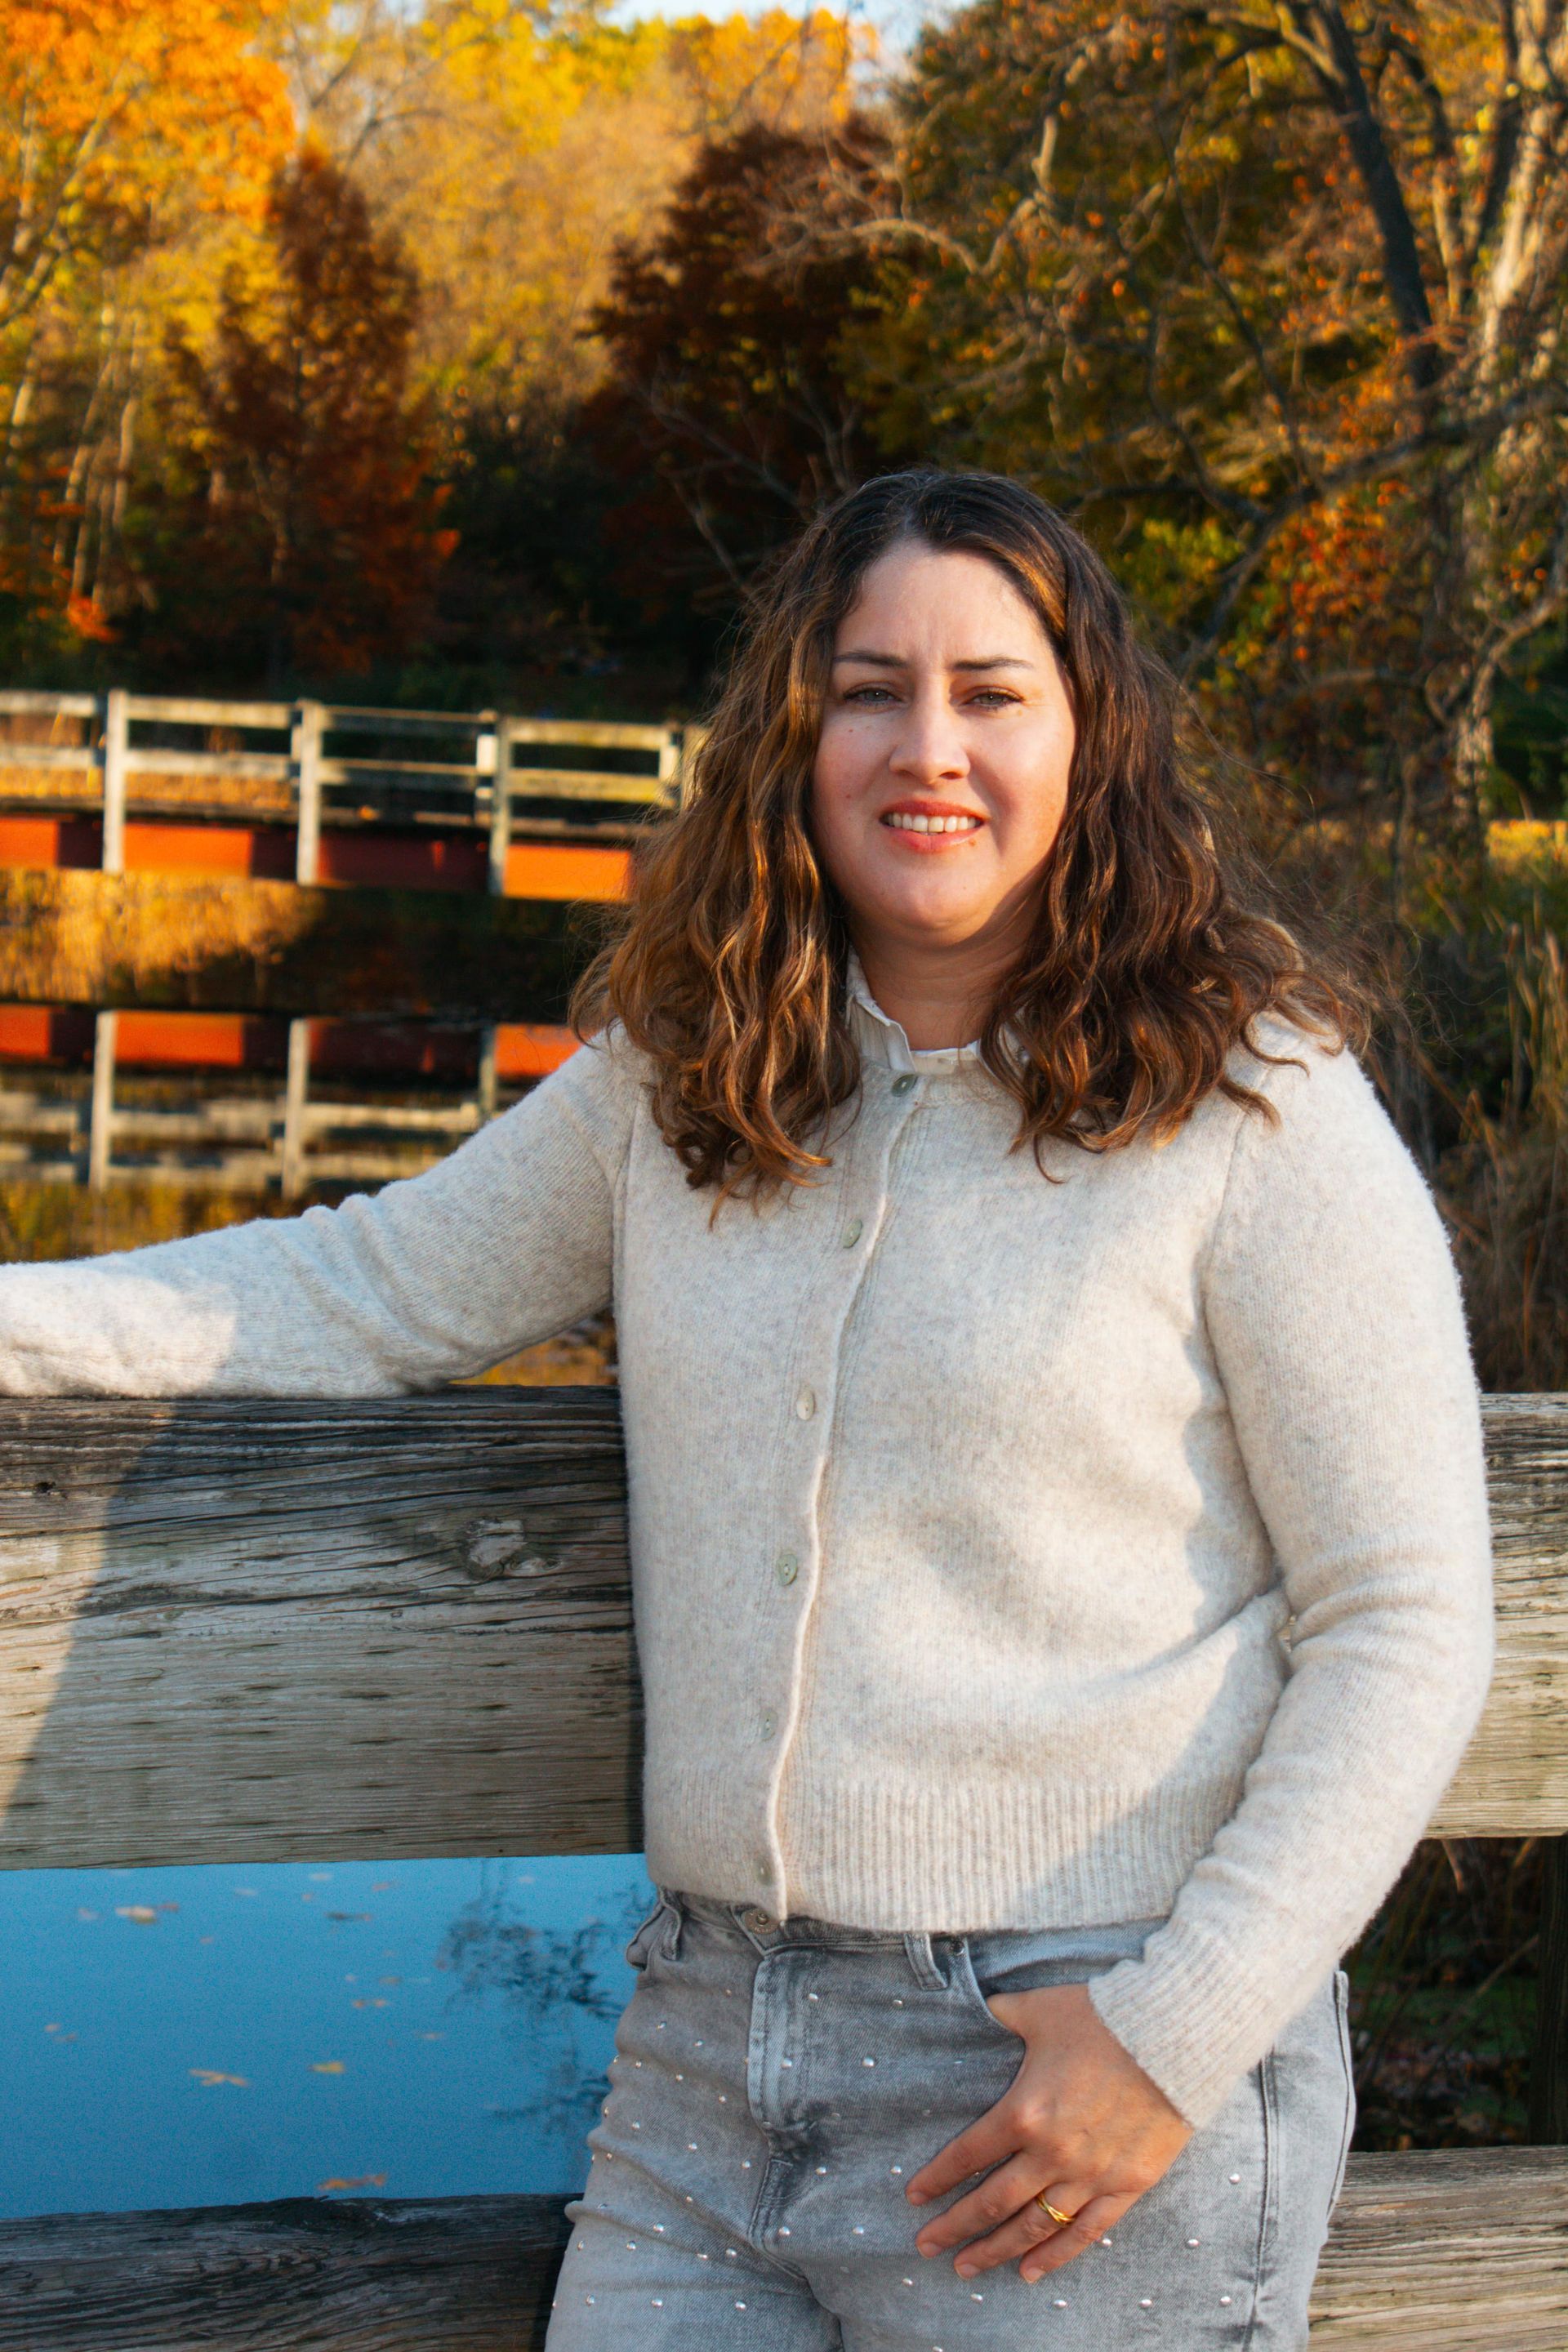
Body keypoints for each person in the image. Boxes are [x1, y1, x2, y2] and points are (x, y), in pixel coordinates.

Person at [0, 470, 1492, 2350]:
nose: (925, 747)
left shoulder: (1250, 1105)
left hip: (1074, 2074)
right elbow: (360, 1288)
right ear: (795, 735)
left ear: (1091, 737)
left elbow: (1410, 1615)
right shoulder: (688, 1079)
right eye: (870, 689)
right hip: (712, 2061)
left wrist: (1176, 2036)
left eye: (991, 692)